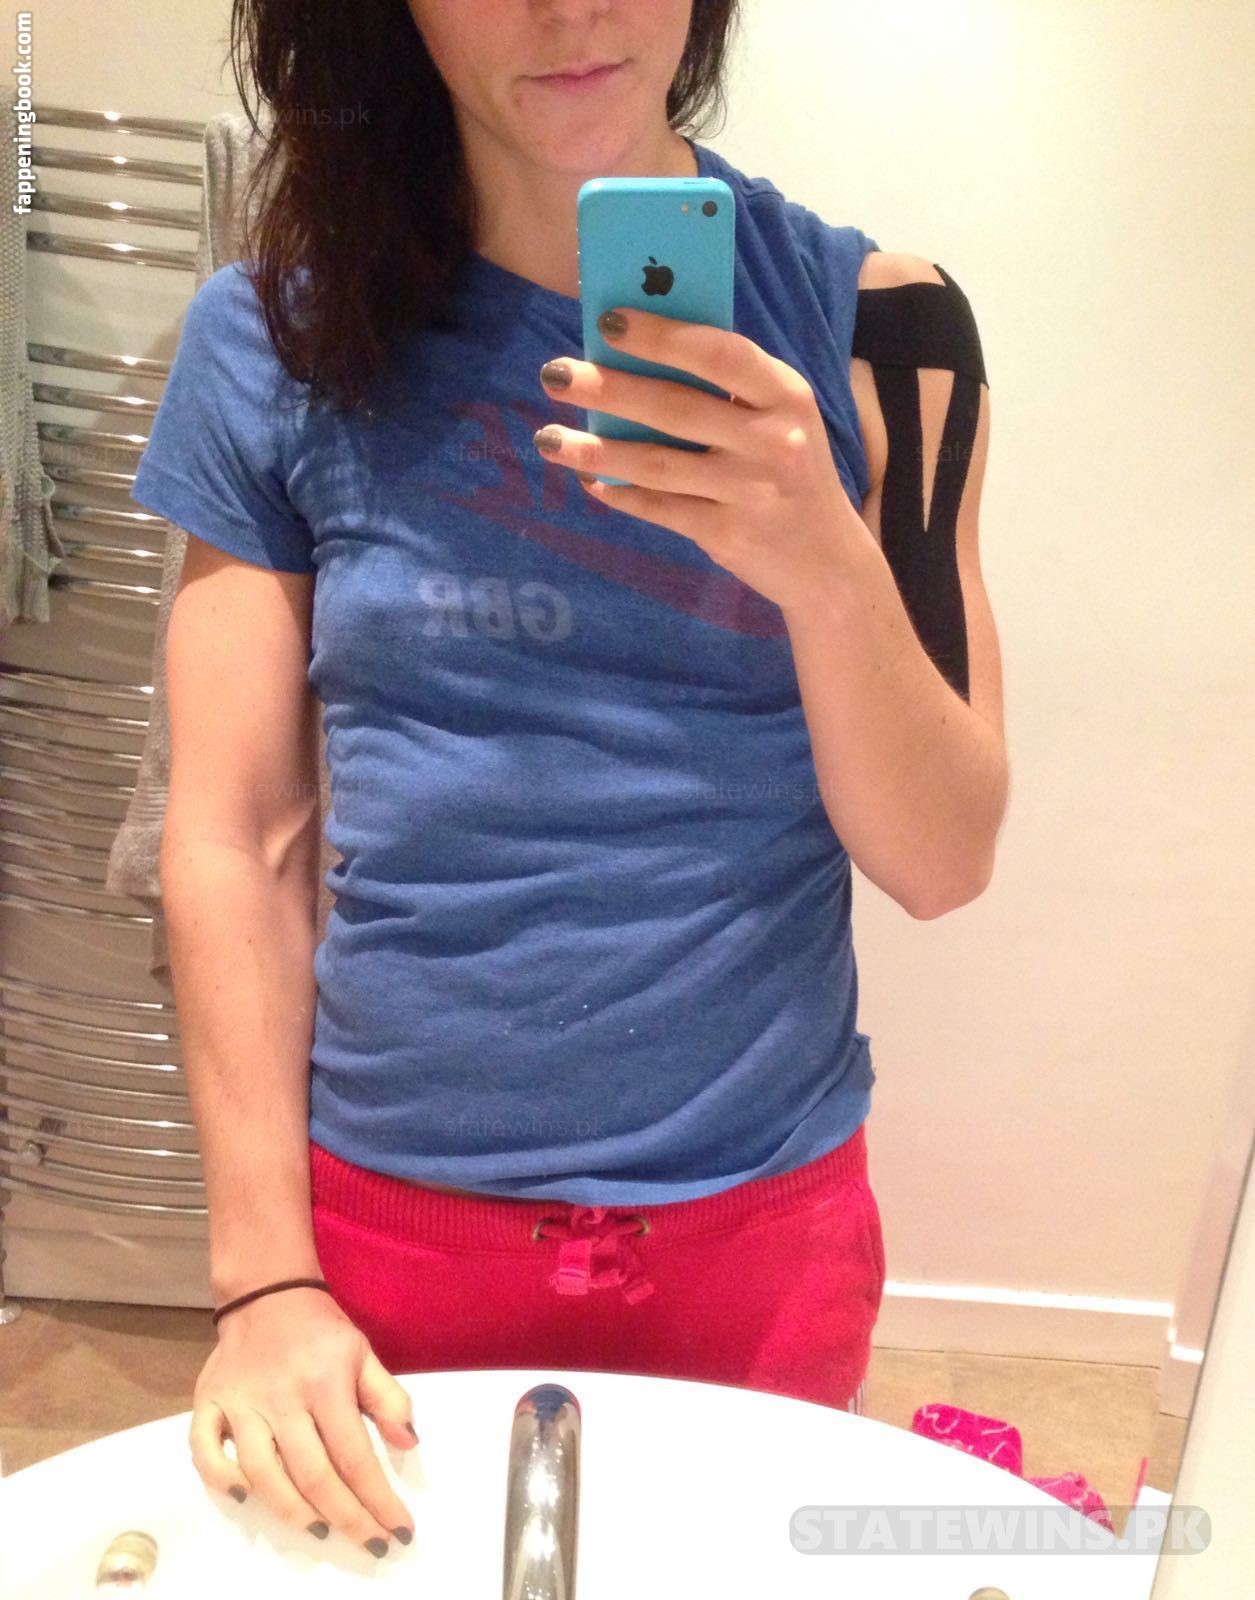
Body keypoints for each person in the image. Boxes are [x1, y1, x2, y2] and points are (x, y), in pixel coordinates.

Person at [133, 0, 1007, 1566]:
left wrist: (823, 562)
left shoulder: (887, 333)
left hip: (765, 1231)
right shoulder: (275, 339)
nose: (569, 7)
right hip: (390, 1237)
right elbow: (234, 835)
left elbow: (944, 860)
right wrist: (264, 1279)